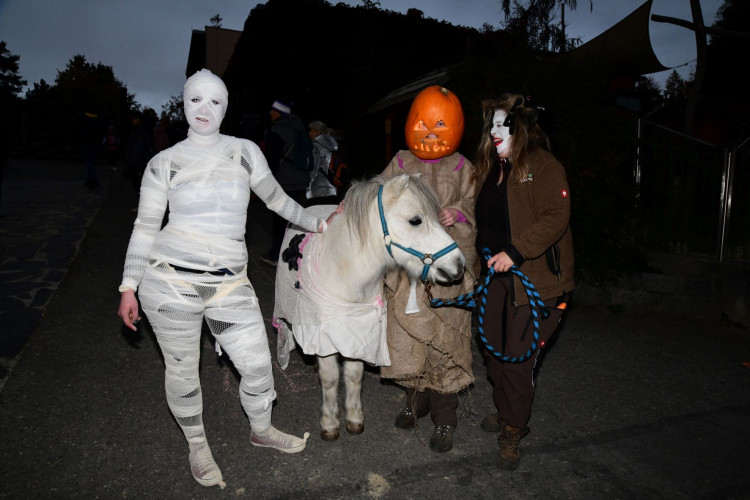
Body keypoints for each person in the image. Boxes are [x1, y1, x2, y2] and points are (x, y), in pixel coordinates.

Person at [117, 69, 330, 489]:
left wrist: (319, 224)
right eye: (196, 99)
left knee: (255, 365)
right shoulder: (164, 162)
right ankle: (197, 444)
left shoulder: (245, 152)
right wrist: (128, 284)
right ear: (184, 103)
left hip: (230, 283)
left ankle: (261, 429)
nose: (204, 109)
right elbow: (145, 226)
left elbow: (278, 201)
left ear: (225, 108)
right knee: (183, 372)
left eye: (214, 101)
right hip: (169, 283)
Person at [472, 93, 574, 470]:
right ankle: (505, 411)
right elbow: (480, 217)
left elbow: (556, 215)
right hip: (493, 277)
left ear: (522, 128)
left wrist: (516, 251)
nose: (495, 130)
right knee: (494, 352)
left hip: (535, 280)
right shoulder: (490, 168)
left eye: (503, 124)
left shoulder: (543, 166)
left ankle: (514, 427)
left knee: (518, 358)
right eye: (492, 124)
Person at [379, 85, 478, 453]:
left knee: (444, 341)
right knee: (410, 336)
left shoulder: (463, 167)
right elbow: (379, 195)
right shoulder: (402, 163)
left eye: (440, 126)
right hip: (408, 271)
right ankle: (414, 400)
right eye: (423, 124)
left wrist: (460, 213)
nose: (431, 133)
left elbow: (474, 206)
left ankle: (445, 419)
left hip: (447, 272)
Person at [260, 100, 312, 266]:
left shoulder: (277, 130)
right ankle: (296, 255)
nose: (270, 113)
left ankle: (275, 256)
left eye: (273, 111)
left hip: (283, 181)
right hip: (300, 181)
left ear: (278, 113)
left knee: (280, 222)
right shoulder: (299, 128)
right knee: (294, 220)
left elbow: (272, 160)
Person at [305, 120, 339, 206]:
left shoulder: (315, 147)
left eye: (311, 130)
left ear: (317, 132)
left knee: (317, 215)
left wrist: (307, 181)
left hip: (317, 188)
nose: (309, 133)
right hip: (331, 187)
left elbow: (313, 168)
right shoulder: (331, 146)